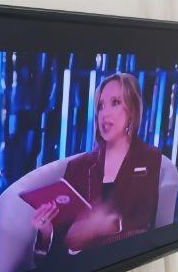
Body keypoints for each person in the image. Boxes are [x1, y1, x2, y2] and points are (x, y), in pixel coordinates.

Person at [32, 72, 163, 259]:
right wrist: (47, 233)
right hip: (77, 271)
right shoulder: (77, 167)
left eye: (115, 102)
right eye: (100, 106)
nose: (104, 114)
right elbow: (55, 256)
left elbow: (146, 227)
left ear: (132, 110)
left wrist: (103, 227)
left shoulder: (150, 159)